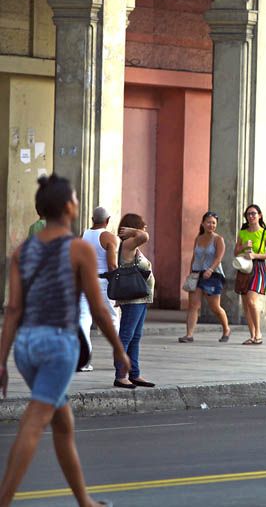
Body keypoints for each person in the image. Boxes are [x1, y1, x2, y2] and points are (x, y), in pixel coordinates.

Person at [0, 174, 128, 506]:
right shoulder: (78, 249)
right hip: (57, 346)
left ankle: (84, 500)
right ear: (69, 207)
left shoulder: (22, 251)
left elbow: (13, 309)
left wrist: (1, 361)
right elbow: (99, 309)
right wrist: (118, 350)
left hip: (26, 347)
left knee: (63, 424)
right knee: (33, 423)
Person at [113, 213, 155, 389]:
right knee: (126, 336)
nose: (145, 229)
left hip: (141, 299)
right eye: (141, 226)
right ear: (133, 227)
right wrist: (135, 231)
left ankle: (134, 373)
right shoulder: (128, 244)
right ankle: (121, 375)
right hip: (133, 299)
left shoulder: (133, 246)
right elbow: (144, 236)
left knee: (135, 337)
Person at [78, 207, 119, 372]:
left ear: (92, 219)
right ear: (108, 220)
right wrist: (117, 284)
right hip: (103, 282)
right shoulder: (109, 237)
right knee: (112, 319)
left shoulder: (83, 235)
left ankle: (83, 360)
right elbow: (113, 265)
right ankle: (119, 359)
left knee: (83, 318)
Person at [179, 212, 230, 343]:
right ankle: (189, 334)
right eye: (208, 222)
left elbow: (219, 258)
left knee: (215, 307)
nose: (211, 225)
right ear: (203, 223)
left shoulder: (218, 239)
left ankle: (226, 329)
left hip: (213, 275)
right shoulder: (198, 238)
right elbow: (194, 257)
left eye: (213, 223)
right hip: (197, 274)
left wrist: (211, 269)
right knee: (193, 305)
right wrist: (191, 272)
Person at [235, 204, 266, 345]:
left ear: (260, 215)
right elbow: (235, 252)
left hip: (258, 268)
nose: (251, 216)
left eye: (253, 213)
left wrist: (255, 255)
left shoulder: (264, 233)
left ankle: (258, 333)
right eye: (248, 214)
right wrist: (244, 247)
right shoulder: (243, 232)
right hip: (244, 268)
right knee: (246, 304)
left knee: (252, 300)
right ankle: (252, 335)